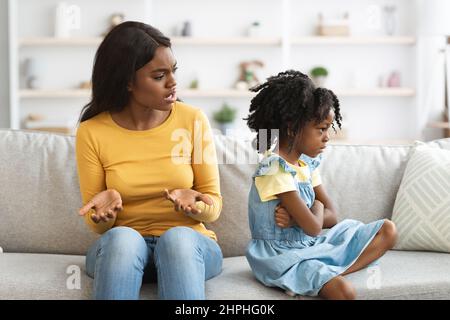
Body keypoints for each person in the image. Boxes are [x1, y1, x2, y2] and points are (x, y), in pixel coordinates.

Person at [75, 21, 223, 300]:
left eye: (173, 71)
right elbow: (95, 224)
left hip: (190, 247)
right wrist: (104, 217)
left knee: (177, 239)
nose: (173, 83)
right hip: (122, 251)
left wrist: (197, 206)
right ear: (128, 82)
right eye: (159, 76)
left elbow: (214, 207)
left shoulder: (193, 120)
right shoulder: (92, 131)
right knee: (123, 239)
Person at [244, 70, 397, 300]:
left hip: (310, 244)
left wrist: (301, 216)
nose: (327, 137)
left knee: (387, 230)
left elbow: (332, 216)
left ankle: (324, 274)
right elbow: (315, 226)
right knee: (344, 291)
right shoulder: (275, 169)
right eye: (321, 129)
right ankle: (313, 274)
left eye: (328, 129)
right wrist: (315, 208)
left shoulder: (306, 164)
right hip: (280, 256)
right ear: (292, 127)